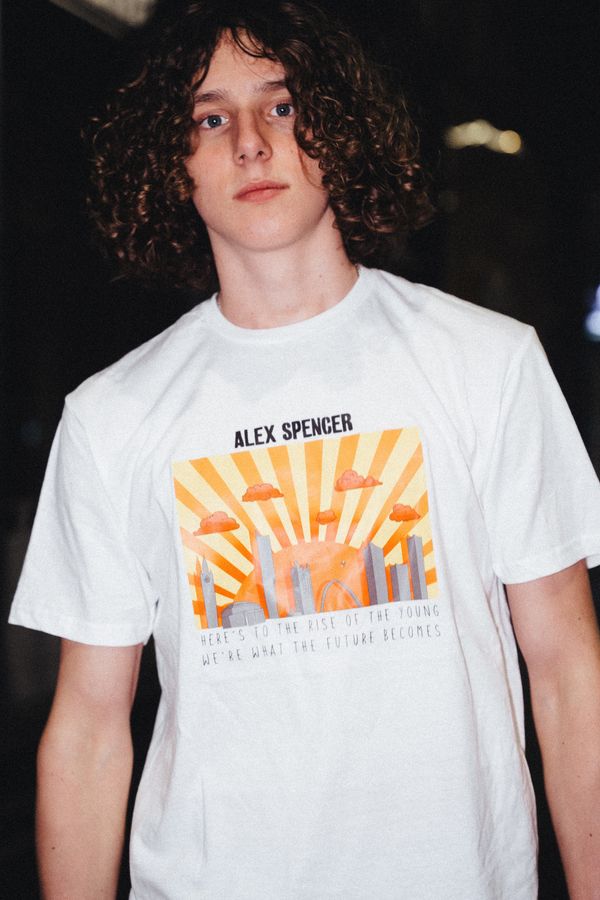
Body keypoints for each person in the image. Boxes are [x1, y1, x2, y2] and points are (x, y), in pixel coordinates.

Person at [9, 1, 600, 897]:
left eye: (281, 106)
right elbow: (89, 728)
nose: (251, 143)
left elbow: (565, 669)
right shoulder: (112, 415)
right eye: (211, 118)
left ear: (339, 128)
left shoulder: (487, 363)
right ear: (174, 161)